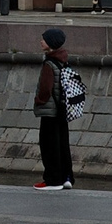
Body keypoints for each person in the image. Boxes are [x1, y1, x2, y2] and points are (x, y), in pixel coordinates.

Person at [33, 26, 77, 191]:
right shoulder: (63, 59)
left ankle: (52, 180)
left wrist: (39, 101)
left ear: (50, 43)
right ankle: (66, 177)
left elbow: (46, 88)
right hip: (63, 109)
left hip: (51, 111)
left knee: (49, 145)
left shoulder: (49, 63)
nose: (41, 41)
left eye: (43, 39)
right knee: (62, 144)